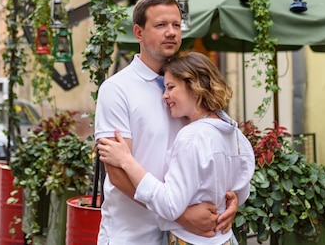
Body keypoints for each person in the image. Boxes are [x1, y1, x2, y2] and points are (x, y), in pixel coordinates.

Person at [95, 0, 238, 244]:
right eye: (161, 25)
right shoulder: (117, 88)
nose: (171, 32)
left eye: (176, 25)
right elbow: (117, 174)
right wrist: (179, 215)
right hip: (132, 235)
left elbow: (213, 151)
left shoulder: (190, 85)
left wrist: (229, 197)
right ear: (138, 33)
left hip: (188, 237)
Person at [98, 52, 255, 245]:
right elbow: (242, 188)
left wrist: (127, 161)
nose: (165, 96)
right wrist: (229, 203)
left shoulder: (190, 137)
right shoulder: (235, 134)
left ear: (194, 87)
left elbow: (170, 205)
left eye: (171, 87)